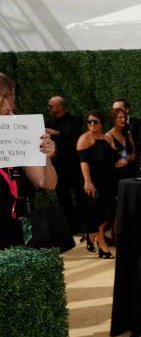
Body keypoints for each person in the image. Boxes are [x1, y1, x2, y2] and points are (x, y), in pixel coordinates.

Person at [0, 73, 57, 250]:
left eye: (11, 111)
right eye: (5, 112)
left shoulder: (22, 135)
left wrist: (46, 159)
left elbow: (47, 183)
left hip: (21, 229)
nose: (11, 114)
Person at [76, 110, 124, 259]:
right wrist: (88, 181)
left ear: (102, 123)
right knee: (98, 215)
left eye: (95, 121)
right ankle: (102, 247)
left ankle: (91, 235)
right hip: (93, 182)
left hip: (108, 182)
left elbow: (115, 157)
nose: (91, 124)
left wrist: (119, 162)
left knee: (109, 213)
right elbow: (83, 163)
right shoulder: (85, 138)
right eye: (89, 122)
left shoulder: (106, 138)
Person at [46, 95, 84, 234]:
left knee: (80, 195)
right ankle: (70, 227)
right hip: (57, 166)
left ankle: (85, 226)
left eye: (51, 106)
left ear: (60, 107)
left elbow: (75, 136)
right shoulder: (50, 122)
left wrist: (56, 132)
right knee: (63, 197)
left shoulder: (74, 121)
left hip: (73, 166)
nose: (48, 108)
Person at [106, 107, 137, 180]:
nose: (123, 119)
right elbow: (110, 158)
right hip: (118, 173)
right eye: (120, 117)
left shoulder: (128, 134)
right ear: (113, 120)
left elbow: (134, 155)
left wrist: (124, 157)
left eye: (124, 117)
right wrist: (126, 157)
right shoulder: (108, 136)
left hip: (132, 171)